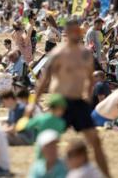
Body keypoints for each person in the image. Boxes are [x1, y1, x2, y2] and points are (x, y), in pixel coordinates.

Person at [35, 20, 110, 177]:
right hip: (59, 102)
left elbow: (90, 79)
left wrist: (88, 97)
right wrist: (33, 102)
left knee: (95, 142)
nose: (77, 34)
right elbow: (44, 80)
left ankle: (106, 176)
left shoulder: (85, 54)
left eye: (78, 31)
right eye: (73, 31)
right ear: (67, 33)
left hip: (78, 102)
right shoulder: (58, 53)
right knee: (48, 143)